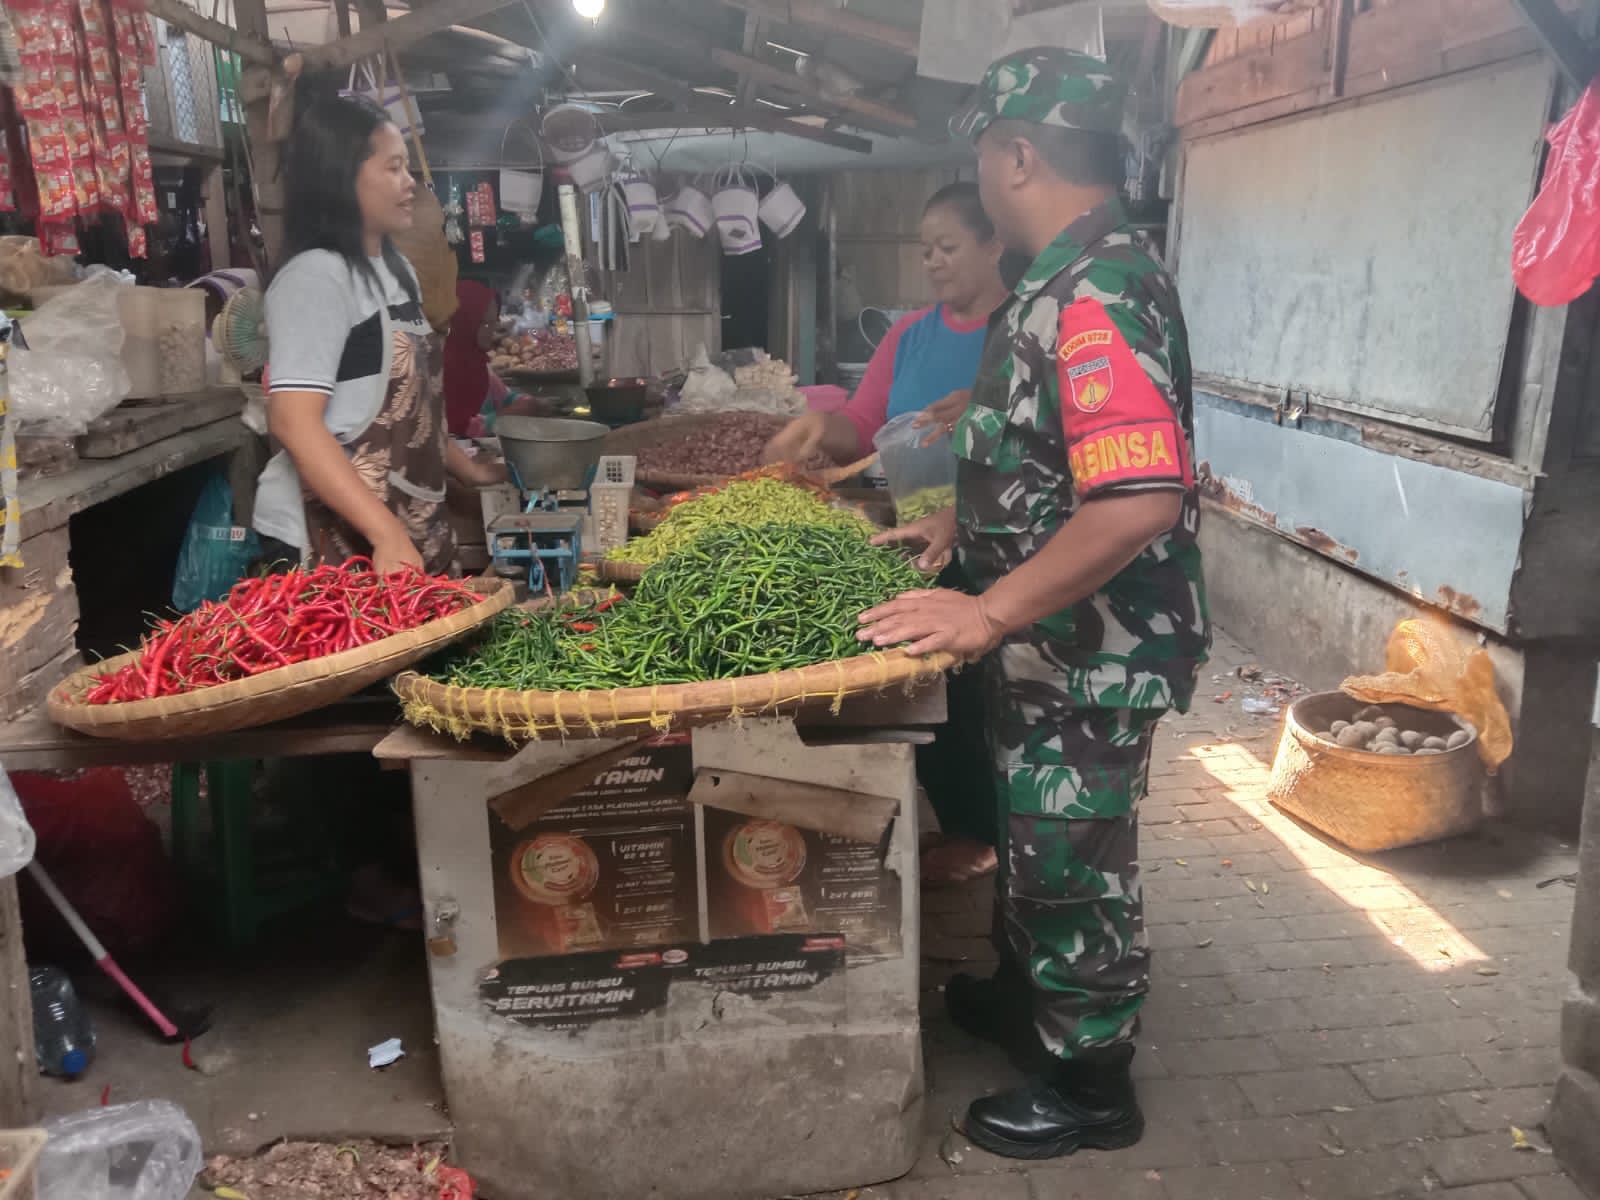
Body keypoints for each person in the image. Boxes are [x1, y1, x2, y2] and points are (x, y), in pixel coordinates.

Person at [857, 48, 1210, 1159]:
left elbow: (1140, 498)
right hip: (1048, 643)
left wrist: (988, 610)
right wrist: (961, 527)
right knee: (1032, 837)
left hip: (1088, 646)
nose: (985, 176)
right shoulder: (1055, 282)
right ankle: (1030, 1002)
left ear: (1016, 153)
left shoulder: (1097, 289)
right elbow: (1051, 460)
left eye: (983, 157)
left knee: (1072, 859)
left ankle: (1090, 1084)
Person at [253, 89, 502, 577]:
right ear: (342, 176)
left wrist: (466, 468)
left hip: (404, 524)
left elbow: (414, 409)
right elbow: (293, 421)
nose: (410, 183)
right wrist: (385, 532)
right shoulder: (315, 278)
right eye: (393, 169)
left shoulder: (396, 270)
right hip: (332, 537)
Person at [761, 182, 1009, 468]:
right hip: (910, 508)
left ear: (994, 249)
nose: (933, 263)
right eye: (927, 253)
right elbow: (864, 424)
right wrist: (821, 428)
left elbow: (1051, 431)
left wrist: (987, 414)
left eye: (948, 248)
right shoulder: (907, 334)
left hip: (1000, 509)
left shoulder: (1029, 332)